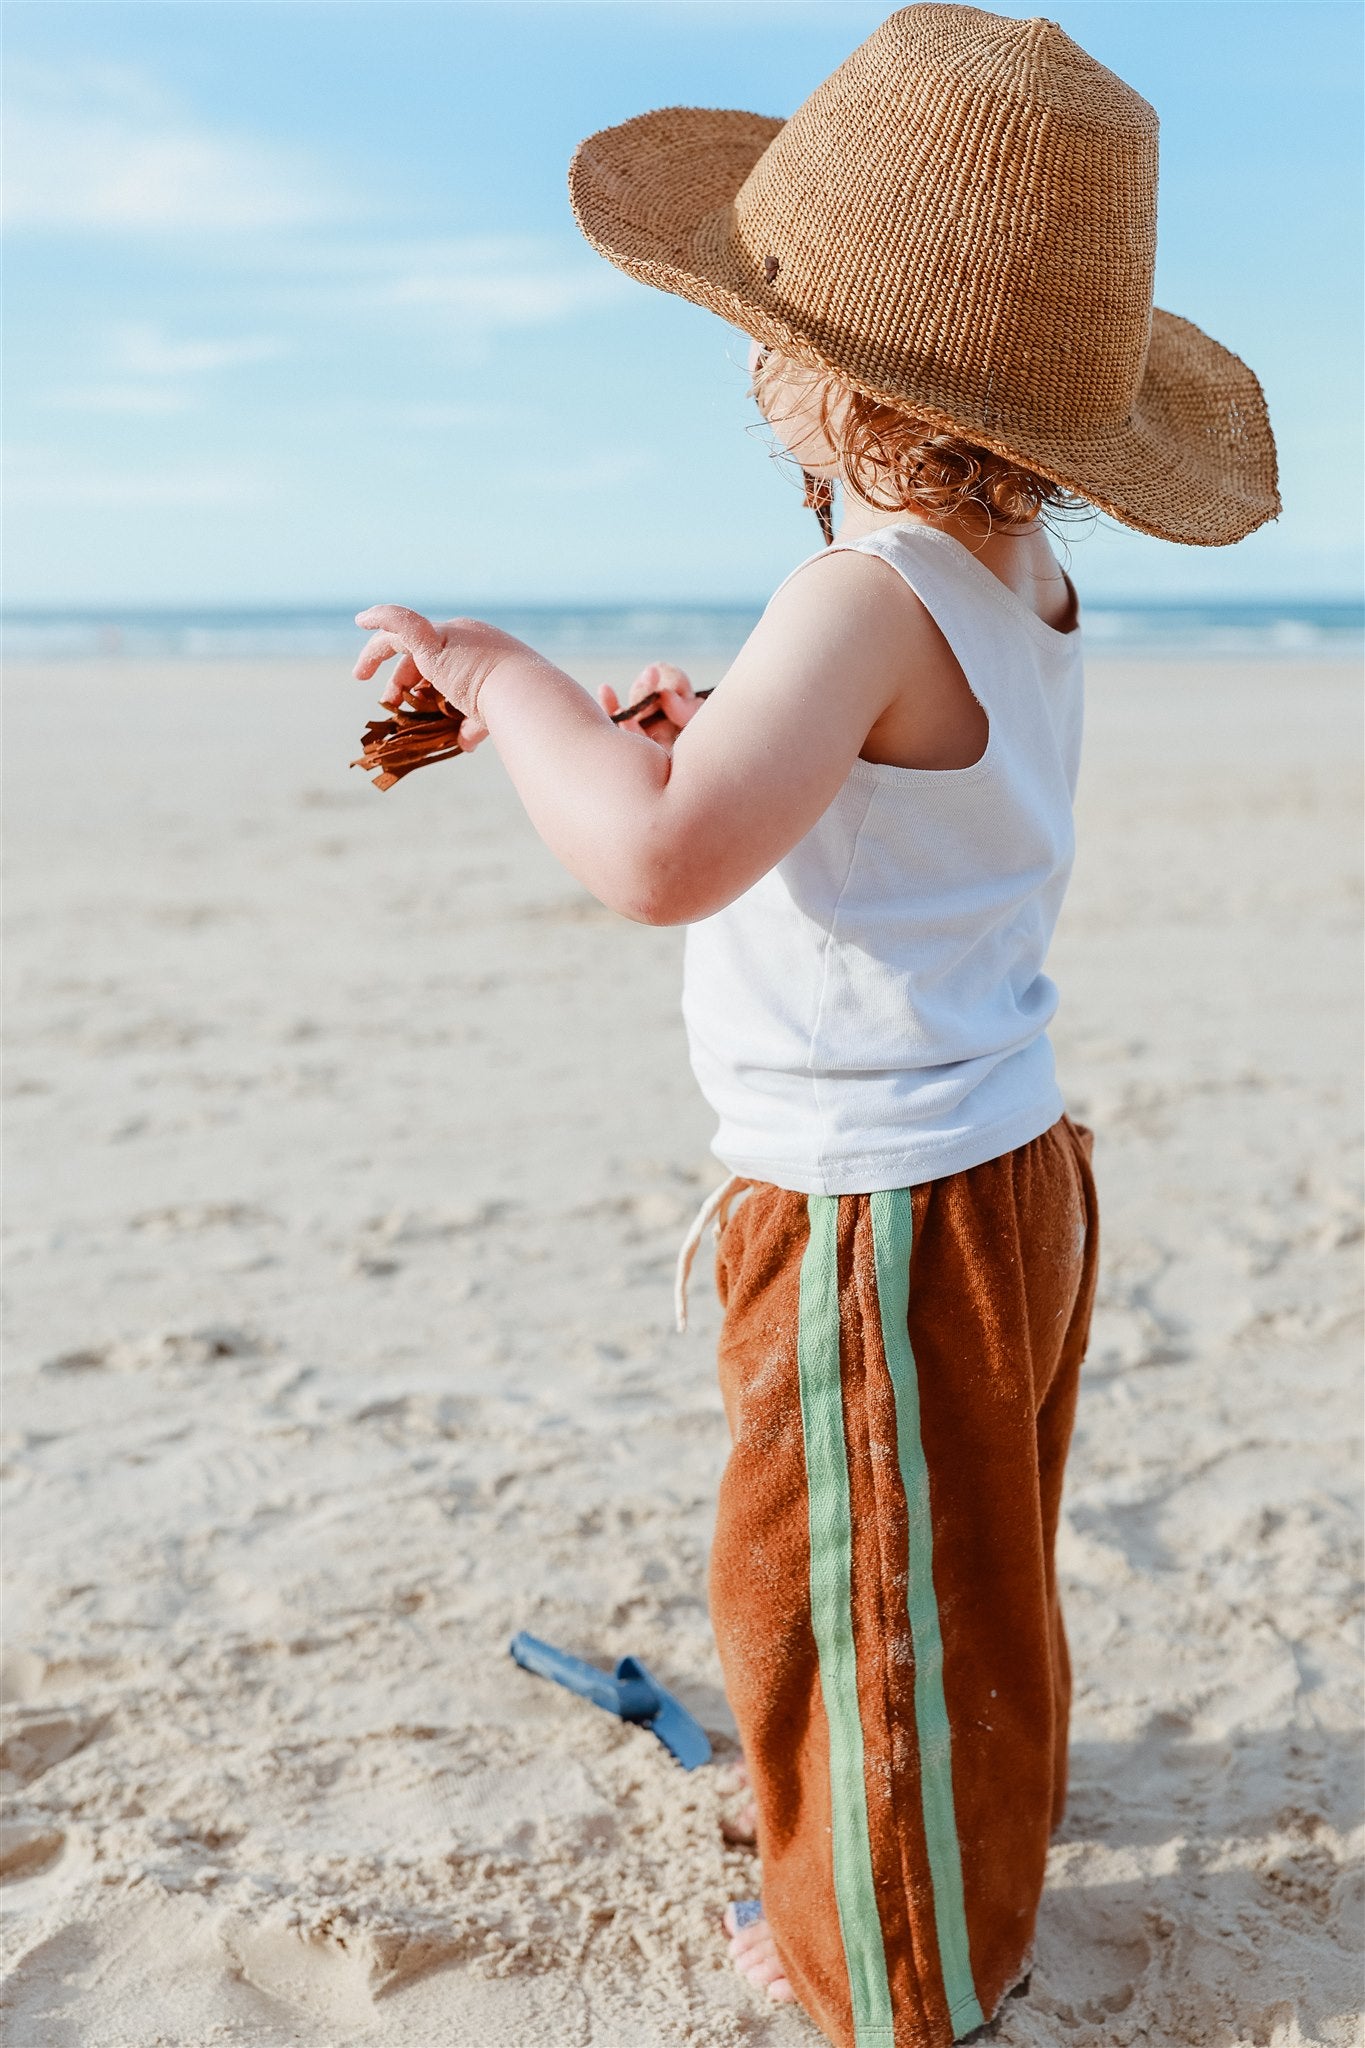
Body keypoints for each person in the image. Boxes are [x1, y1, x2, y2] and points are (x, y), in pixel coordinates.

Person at [351, 10, 1278, 2043]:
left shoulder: (852, 601)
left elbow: (666, 860)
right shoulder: (1006, 575)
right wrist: (726, 736)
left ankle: (898, 1958)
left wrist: (509, 685)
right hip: (1012, 1167)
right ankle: (962, 1841)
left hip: (875, 1210)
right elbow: (880, 806)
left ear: (820, 374)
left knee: (844, 1600)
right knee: (967, 1570)